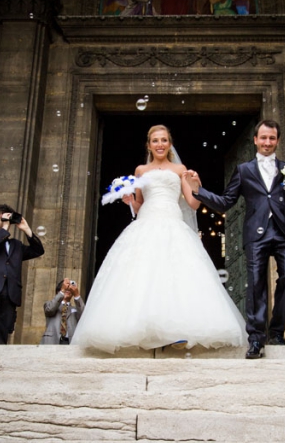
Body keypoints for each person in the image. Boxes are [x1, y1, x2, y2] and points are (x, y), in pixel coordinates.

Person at [71, 125, 246, 353]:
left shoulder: (179, 169)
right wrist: (129, 202)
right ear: (149, 144)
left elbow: (192, 204)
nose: (160, 144)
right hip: (145, 223)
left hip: (173, 223)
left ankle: (178, 330)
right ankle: (141, 329)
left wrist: (196, 186)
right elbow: (140, 203)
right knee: (142, 274)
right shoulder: (141, 170)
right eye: (155, 141)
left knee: (175, 274)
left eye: (164, 140)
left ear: (170, 143)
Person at [186, 120, 285, 359]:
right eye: (263, 138)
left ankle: (277, 331)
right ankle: (256, 339)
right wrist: (198, 191)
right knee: (256, 284)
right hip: (256, 233)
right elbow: (226, 202)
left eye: (272, 138)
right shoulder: (243, 170)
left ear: (277, 140)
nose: (267, 142)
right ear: (255, 140)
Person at [0, 205, 44, 344]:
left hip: (9, 291)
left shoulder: (15, 244)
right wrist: (4, 228)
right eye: (2, 217)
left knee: (1, 334)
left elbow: (38, 251)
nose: (7, 220)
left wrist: (26, 229)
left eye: (8, 217)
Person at [41, 278, 85, 345]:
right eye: (66, 289)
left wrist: (77, 295)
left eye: (70, 290)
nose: (68, 290)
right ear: (58, 291)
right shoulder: (49, 304)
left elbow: (84, 317)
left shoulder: (76, 309)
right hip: (52, 341)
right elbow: (49, 310)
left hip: (69, 342)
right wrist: (62, 290)